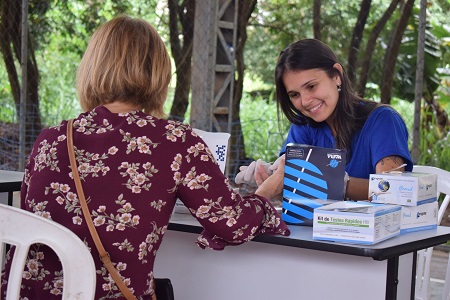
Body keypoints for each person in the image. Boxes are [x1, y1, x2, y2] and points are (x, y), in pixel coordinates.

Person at [1, 15, 289, 299]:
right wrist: (266, 193)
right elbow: (233, 223)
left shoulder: (51, 139)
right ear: (159, 73)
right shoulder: (174, 141)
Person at [235, 38, 413, 200]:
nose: (305, 101)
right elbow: (296, 196)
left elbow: (391, 191)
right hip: (315, 231)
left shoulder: (382, 121)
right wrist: (269, 179)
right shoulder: (303, 125)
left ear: (336, 75)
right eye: (294, 94)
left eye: (311, 86)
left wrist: (337, 183)